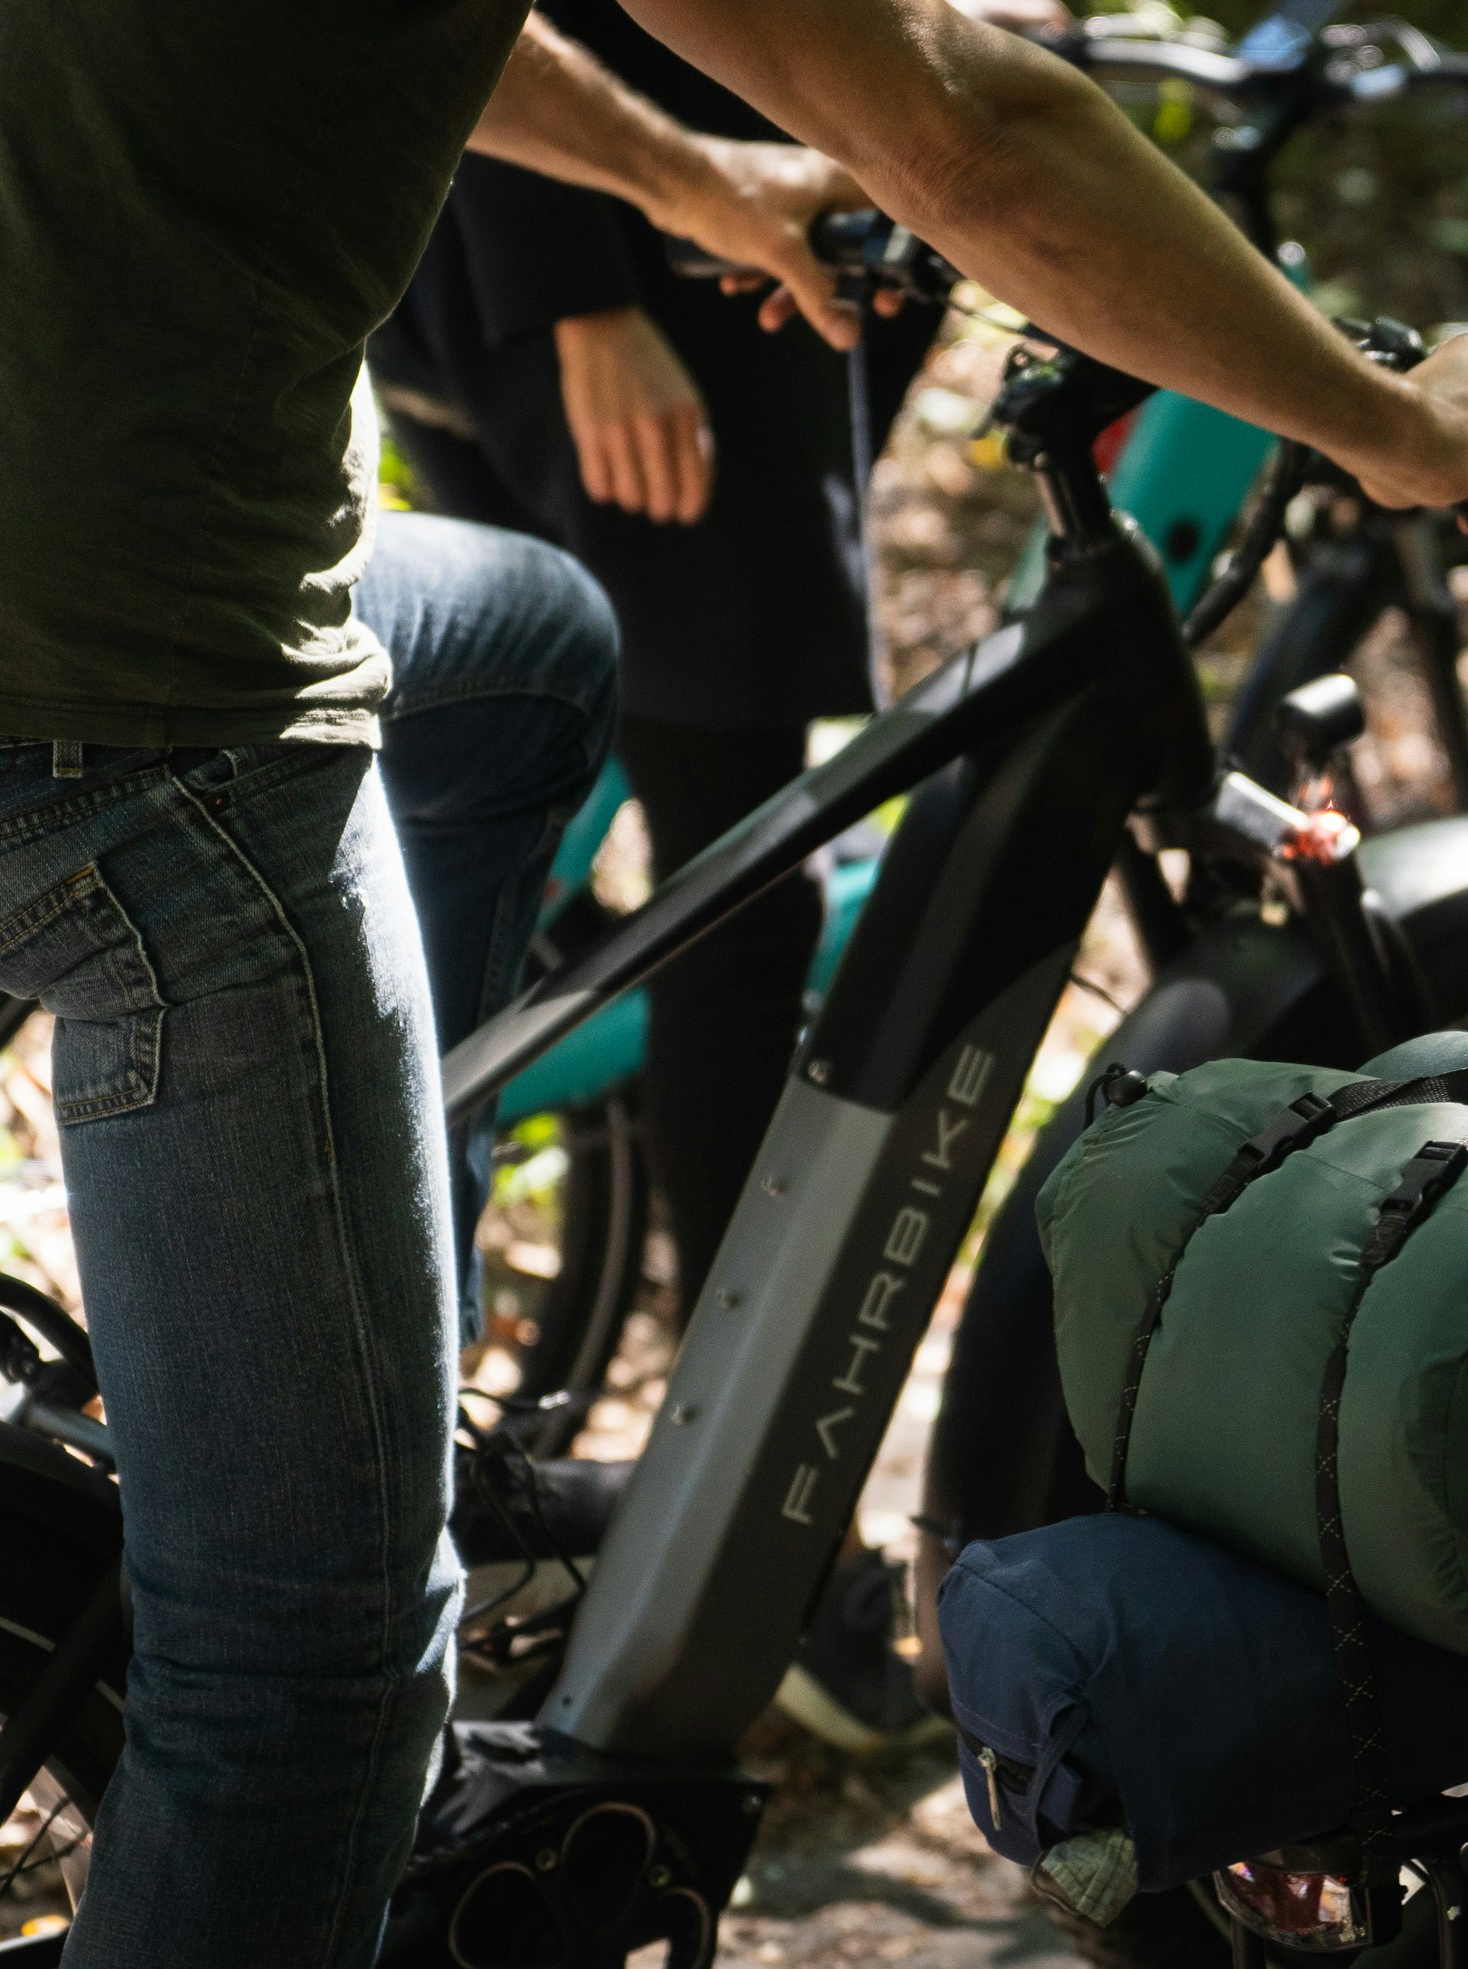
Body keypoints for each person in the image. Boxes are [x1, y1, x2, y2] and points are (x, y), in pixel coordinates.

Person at [0, 0, 1468, 1959]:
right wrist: (1396, 422)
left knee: (530, 644)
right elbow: (970, 125)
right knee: (315, 1675)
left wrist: (699, 179)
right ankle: (339, 1501)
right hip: (105, 722)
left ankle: (362, 1338)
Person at [369, 6, 963, 1750]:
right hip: (622, 273)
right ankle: (758, 1560)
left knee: (576, 821)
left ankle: (464, 1500)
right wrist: (578, 294)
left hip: (569, 248)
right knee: (739, 905)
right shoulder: (604, 258)